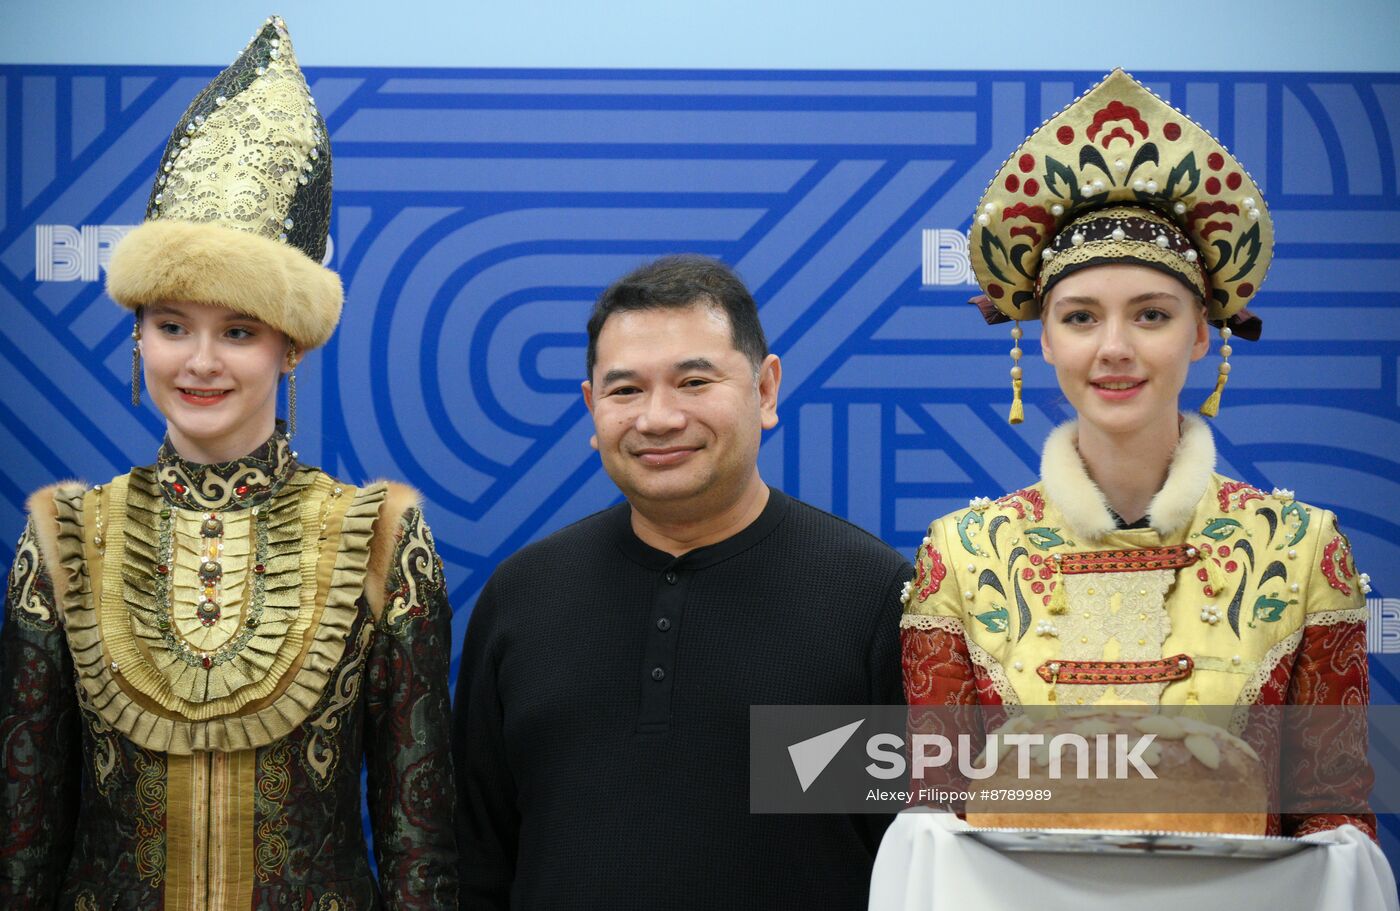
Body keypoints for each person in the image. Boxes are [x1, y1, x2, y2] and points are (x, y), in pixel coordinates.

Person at [0, 18, 457, 908]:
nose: (200, 361)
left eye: (238, 330)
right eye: (173, 326)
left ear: (289, 347)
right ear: (136, 332)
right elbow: (23, 840)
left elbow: (418, 847)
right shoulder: (62, 536)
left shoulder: (383, 538)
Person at [899, 69, 1377, 838]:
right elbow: (936, 829)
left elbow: (1333, 829)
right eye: (1082, 316)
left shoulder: (1298, 549)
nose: (1114, 349)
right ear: (1044, 338)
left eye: (1150, 315)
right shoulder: (962, 555)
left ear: (1199, 334)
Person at [453, 255, 912, 909]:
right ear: (592, 407)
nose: (658, 418)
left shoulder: (874, 596)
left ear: (765, 388)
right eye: (625, 390)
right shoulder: (521, 596)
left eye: (694, 381)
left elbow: (918, 860)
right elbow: (478, 858)